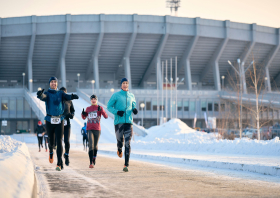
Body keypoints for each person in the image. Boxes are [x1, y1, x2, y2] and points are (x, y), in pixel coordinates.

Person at [37, 76, 79, 171]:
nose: (53, 83)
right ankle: (51, 151)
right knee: (51, 141)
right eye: (52, 82)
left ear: (57, 84)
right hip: (49, 120)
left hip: (59, 120)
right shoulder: (47, 93)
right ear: (49, 84)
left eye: (55, 82)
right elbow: (43, 97)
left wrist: (72, 96)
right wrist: (40, 94)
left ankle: (59, 163)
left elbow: (67, 96)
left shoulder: (60, 93)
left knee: (59, 141)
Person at [107, 78, 138, 172]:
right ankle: (119, 148)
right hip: (119, 123)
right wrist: (117, 112)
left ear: (128, 85)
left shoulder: (131, 95)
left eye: (126, 83)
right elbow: (109, 106)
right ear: (121, 85)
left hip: (129, 122)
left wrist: (134, 109)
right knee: (120, 142)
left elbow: (133, 105)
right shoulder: (116, 95)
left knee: (128, 143)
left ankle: (126, 164)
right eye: (123, 83)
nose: (125, 84)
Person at [81, 95, 108, 168]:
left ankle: (94, 158)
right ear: (90, 100)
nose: (93, 100)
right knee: (91, 145)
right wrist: (83, 114)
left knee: (95, 146)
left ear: (96, 100)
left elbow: (106, 116)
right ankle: (91, 163)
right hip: (89, 129)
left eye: (94, 99)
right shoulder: (88, 108)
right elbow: (84, 118)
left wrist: (101, 110)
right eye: (92, 99)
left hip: (97, 129)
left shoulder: (100, 107)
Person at [59, 87, 75, 166]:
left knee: (66, 141)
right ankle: (60, 159)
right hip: (58, 123)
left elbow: (72, 110)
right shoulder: (57, 100)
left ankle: (67, 155)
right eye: (61, 92)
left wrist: (72, 115)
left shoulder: (69, 101)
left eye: (64, 92)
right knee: (59, 142)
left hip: (67, 123)